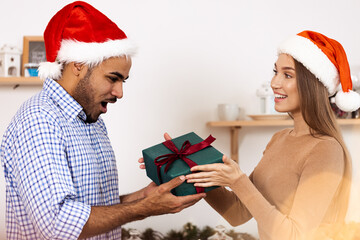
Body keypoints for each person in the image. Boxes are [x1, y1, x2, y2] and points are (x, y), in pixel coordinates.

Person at [0, 1, 205, 239]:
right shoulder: (39, 122)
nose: (119, 92)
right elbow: (58, 225)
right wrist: (143, 209)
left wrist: (141, 198)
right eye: (113, 78)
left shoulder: (91, 119)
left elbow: (90, 205)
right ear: (79, 65)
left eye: (123, 81)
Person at [143, 31, 359, 240]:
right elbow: (236, 213)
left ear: (312, 84)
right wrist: (191, 165)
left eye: (288, 75)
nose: (275, 83)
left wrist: (238, 181)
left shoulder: (325, 149)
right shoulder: (280, 138)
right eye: (275, 72)